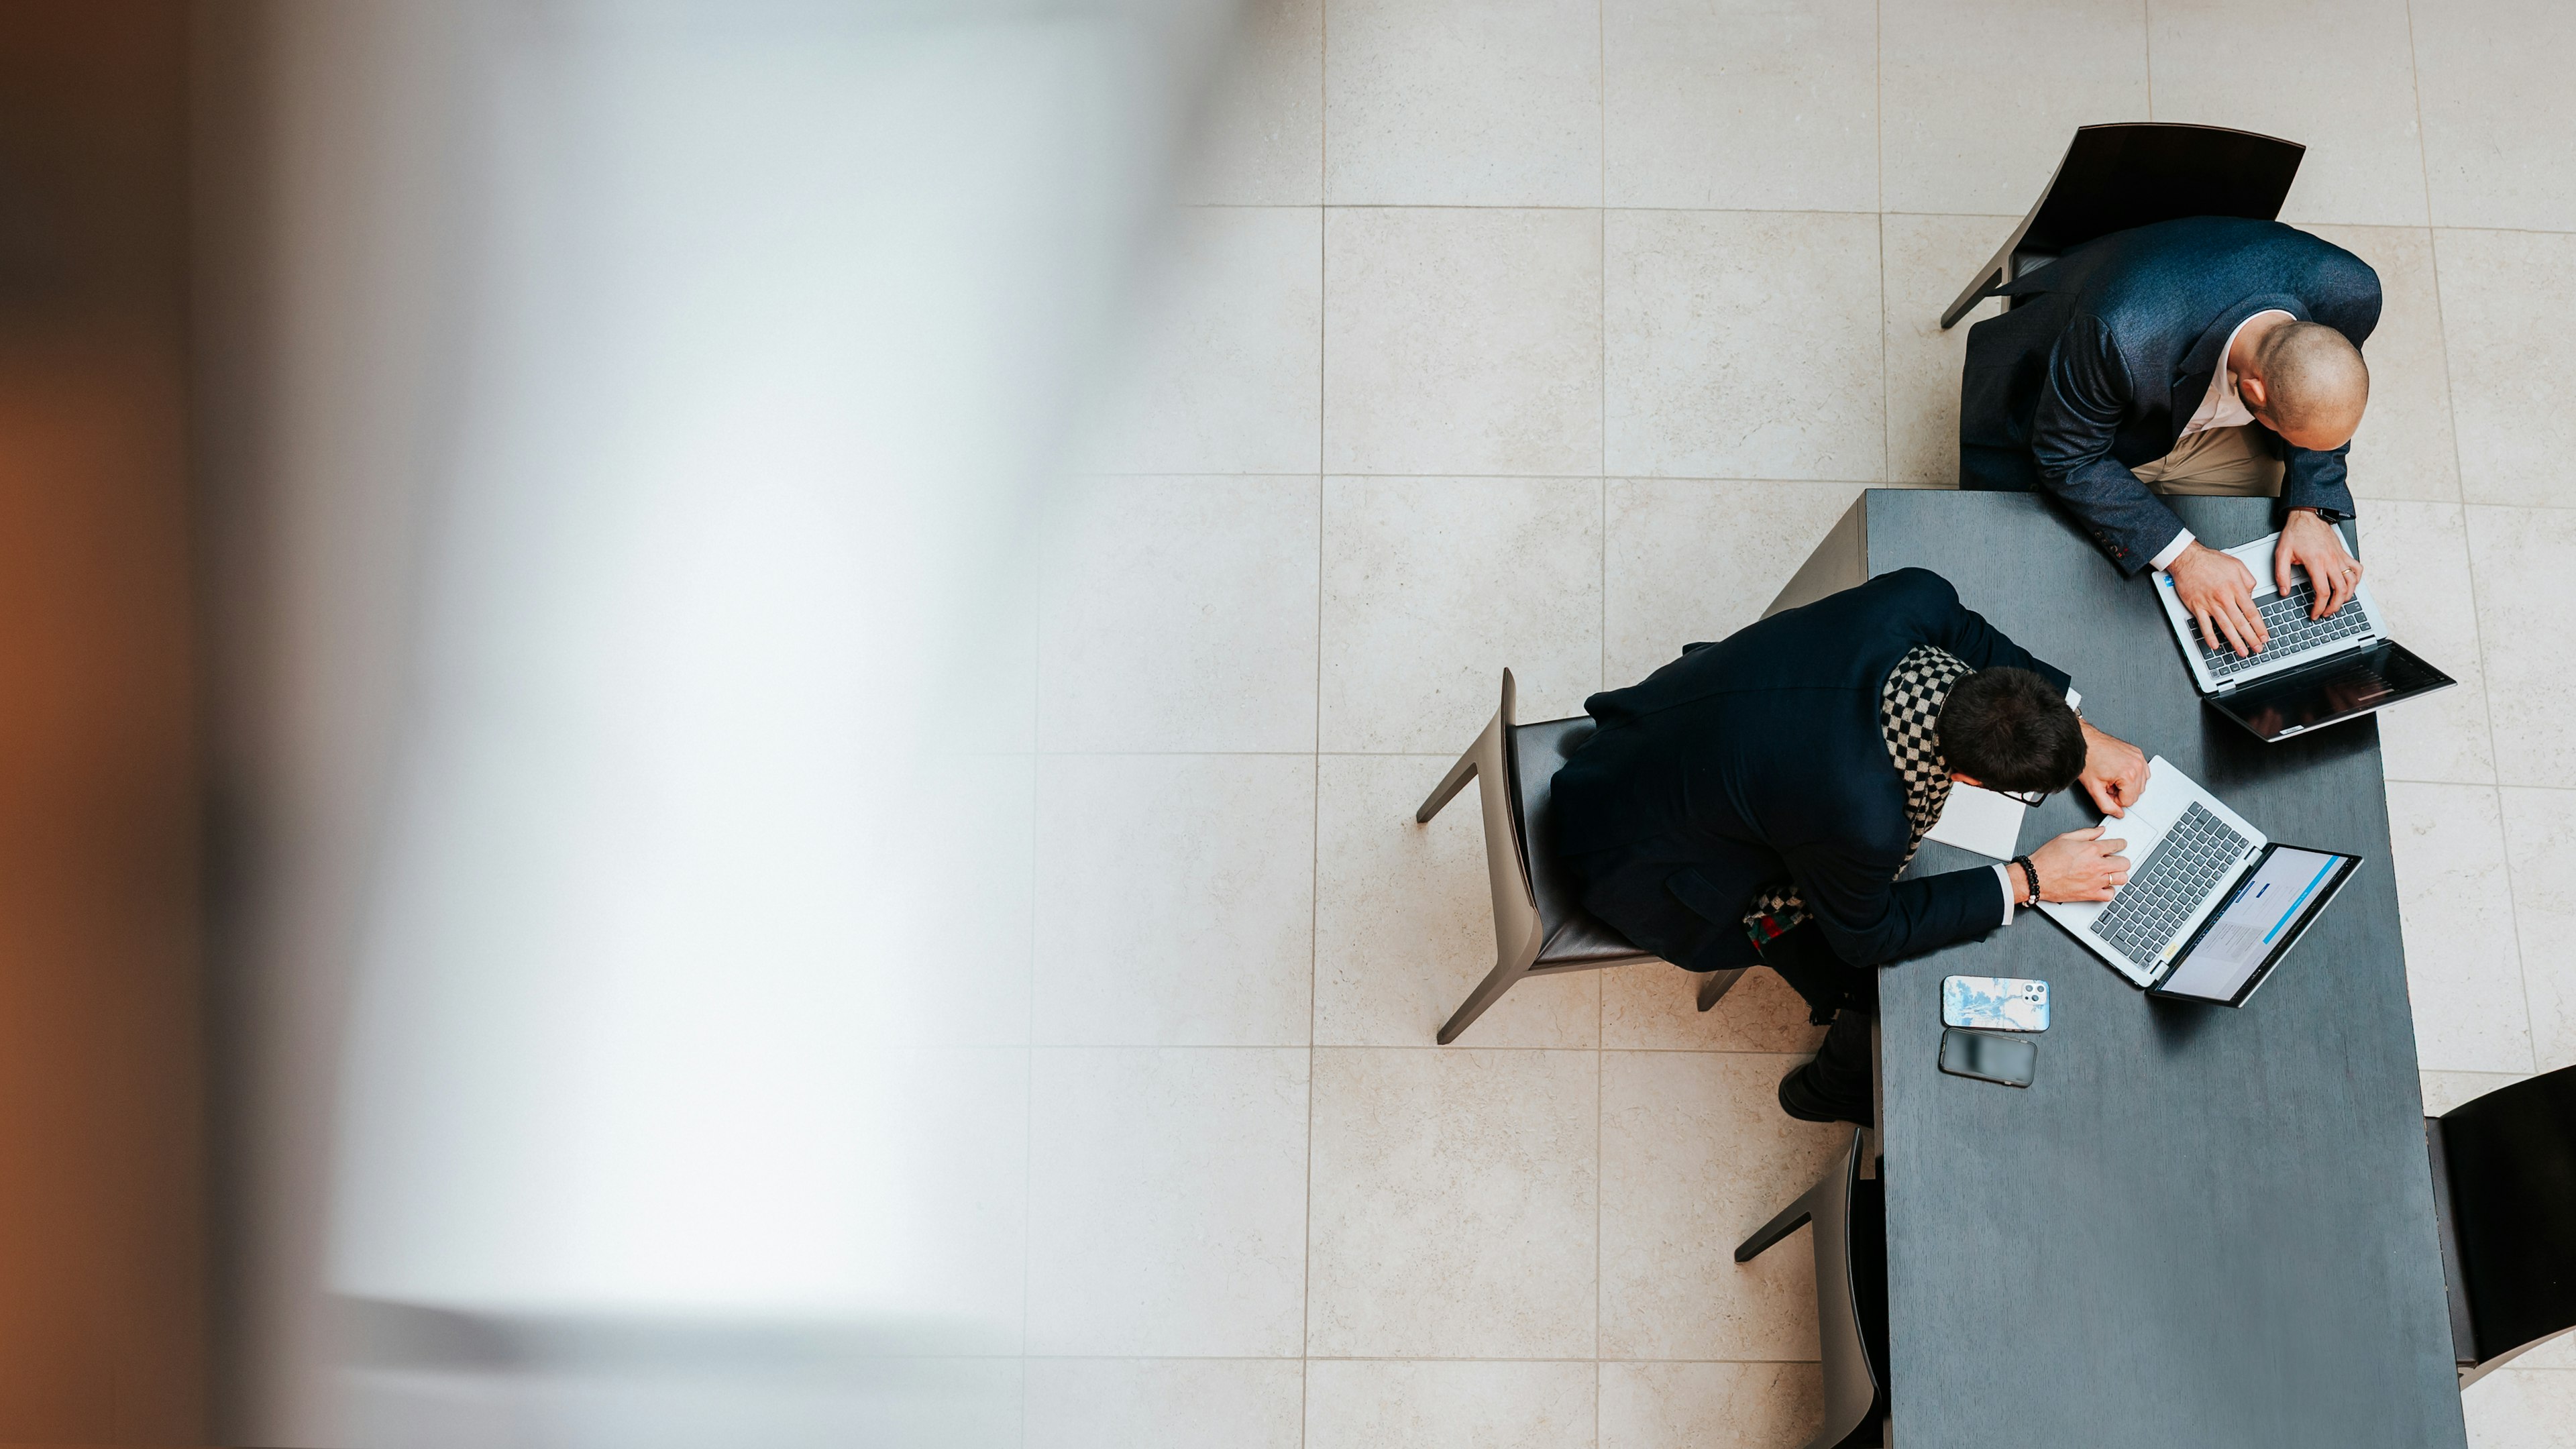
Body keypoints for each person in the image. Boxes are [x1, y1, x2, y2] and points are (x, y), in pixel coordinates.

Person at [1550, 568, 2148, 1126]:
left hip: (1662, 729)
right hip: (1628, 851)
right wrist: (2028, 880)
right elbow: (1867, 935)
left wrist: (2077, 736)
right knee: (1885, 989)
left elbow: (1973, 637)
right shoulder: (1862, 816)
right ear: (1970, 780)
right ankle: (1827, 1091)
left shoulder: (1915, 599)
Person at [1958, 215, 2380, 660]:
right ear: (2254, 390)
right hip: (2095, 429)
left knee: (2251, 574)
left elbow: (2317, 389)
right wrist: (2186, 558)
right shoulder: (2122, 335)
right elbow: (2067, 457)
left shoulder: (2349, 290)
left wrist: (2310, 510)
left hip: (2201, 422)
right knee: (2071, 603)